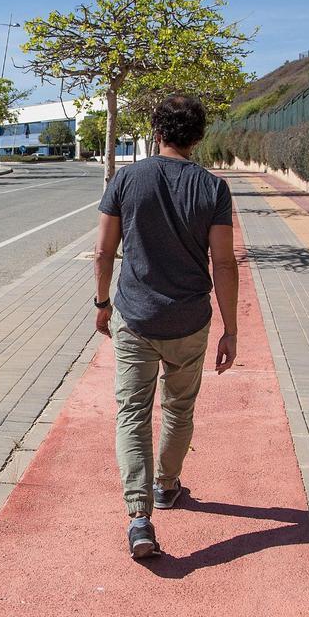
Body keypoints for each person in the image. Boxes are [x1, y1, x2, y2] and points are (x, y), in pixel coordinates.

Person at [93, 95, 238, 559]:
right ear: (198, 137)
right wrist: (230, 329)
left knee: (132, 413)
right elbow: (225, 263)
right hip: (190, 321)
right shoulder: (213, 189)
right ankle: (167, 485)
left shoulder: (126, 179)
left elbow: (103, 251)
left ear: (156, 131)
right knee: (179, 408)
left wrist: (101, 303)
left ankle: (139, 518)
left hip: (136, 317)